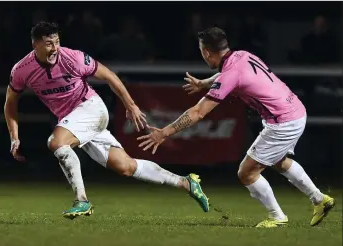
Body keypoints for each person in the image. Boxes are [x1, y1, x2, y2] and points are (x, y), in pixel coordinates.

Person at [4, 21, 209, 220]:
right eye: (49, 43)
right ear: (35, 45)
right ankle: (186, 183)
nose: (55, 48)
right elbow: (10, 103)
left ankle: (81, 200)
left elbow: (109, 75)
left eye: (57, 41)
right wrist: (14, 137)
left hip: (91, 109)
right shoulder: (22, 70)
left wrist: (131, 105)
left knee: (57, 142)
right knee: (126, 167)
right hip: (74, 121)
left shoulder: (73, 58)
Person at [137, 27, 335, 228]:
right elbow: (227, 75)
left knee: (246, 173)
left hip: (283, 122)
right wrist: (204, 83)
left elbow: (198, 112)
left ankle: (277, 217)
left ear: (206, 52)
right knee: (278, 161)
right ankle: (320, 199)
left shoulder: (230, 73)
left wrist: (164, 132)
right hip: (296, 110)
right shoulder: (241, 55)